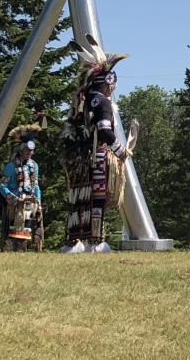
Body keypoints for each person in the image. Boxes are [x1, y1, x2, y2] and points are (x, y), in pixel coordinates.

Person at [61, 36, 134, 253]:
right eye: (113, 83)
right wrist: (121, 150)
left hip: (78, 160)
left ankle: (73, 242)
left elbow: (69, 132)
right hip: (97, 156)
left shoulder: (80, 101)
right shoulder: (103, 103)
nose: (114, 89)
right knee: (97, 199)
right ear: (108, 81)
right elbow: (104, 130)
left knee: (79, 198)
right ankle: (95, 241)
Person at [0, 121, 43, 252]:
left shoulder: (34, 166)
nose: (30, 153)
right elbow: (2, 185)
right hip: (15, 204)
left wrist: (38, 201)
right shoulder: (11, 166)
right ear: (21, 149)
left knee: (27, 230)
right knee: (13, 231)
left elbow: (36, 186)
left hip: (29, 202)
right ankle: (10, 250)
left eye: (32, 151)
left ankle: (23, 250)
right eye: (28, 150)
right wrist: (12, 197)